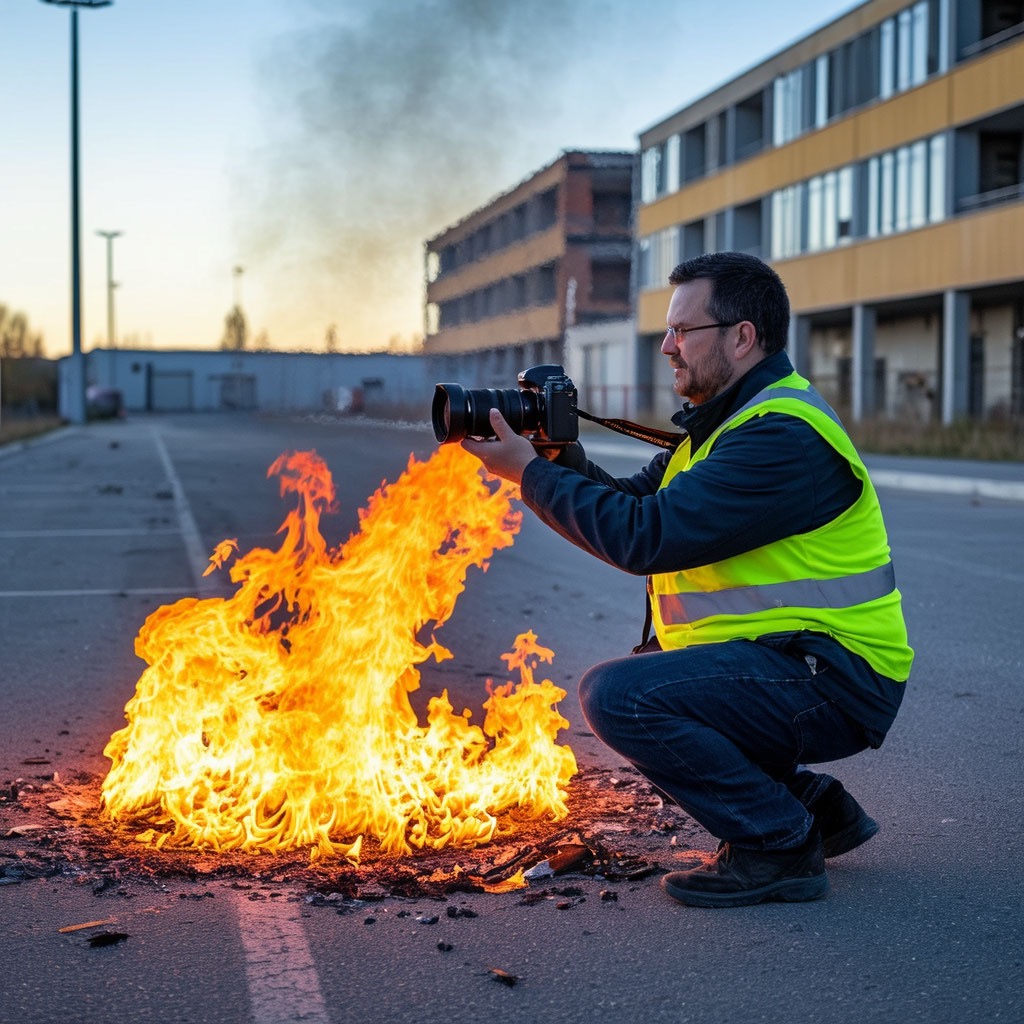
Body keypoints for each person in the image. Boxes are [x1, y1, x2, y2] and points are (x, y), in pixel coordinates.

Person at [461, 251, 913, 908]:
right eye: (667, 332)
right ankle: (813, 809)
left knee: (624, 698)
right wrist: (560, 455)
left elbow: (644, 537)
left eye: (682, 332)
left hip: (836, 677)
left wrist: (530, 474)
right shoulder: (719, 432)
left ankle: (778, 848)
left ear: (741, 337)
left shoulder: (779, 436)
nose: (668, 348)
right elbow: (633, 504)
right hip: (796, 663)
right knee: (652, 677)